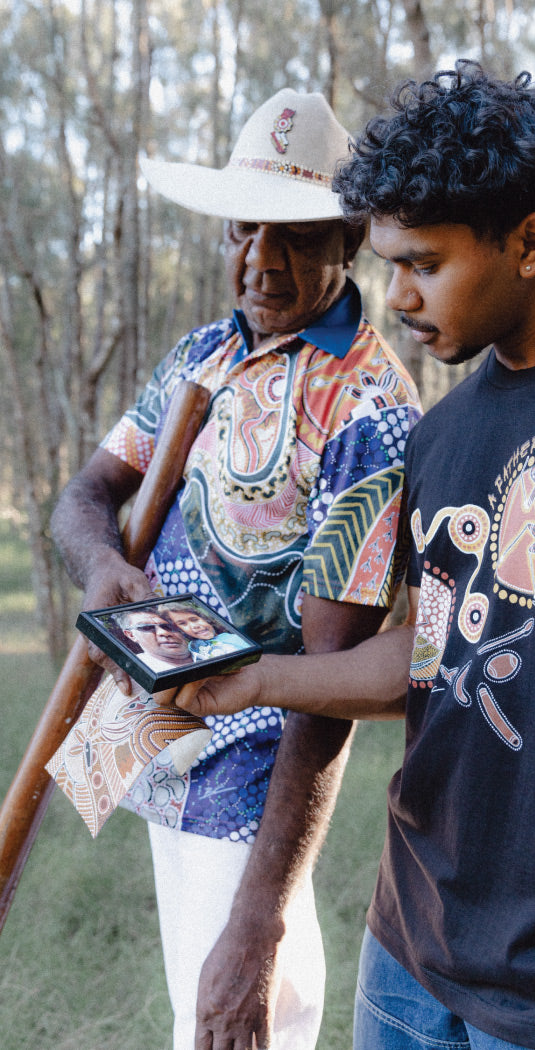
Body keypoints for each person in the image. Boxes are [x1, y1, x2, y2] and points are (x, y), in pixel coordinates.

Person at [176, 62, 535, 1050]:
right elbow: (432, 647)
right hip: (409, 957)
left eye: (422, 262)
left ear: (531, 240)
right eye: (388, 263)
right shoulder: (444, 431)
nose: (399, 297)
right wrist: (255, 681)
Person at [50, 86, 421, 1050]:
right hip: (156, 745)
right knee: (198, 1013)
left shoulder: (368, 412)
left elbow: (331, 690)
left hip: (254, 783)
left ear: (347, 242)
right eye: (243, 228)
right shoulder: (203, 354)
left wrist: (262, 918)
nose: (260, 259)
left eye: (294, 234)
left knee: (243, 1016)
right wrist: (100, 567)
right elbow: (84, 498)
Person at [158, 602, 249, 661]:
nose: (195, 626)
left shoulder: (232, 638)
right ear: (179, 630)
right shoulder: (191, 648)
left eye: (194, 619)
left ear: (204, 618)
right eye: (183, 624)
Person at [114, 607, 193, 670]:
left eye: (167, 626)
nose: (164, 632)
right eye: (147, 627)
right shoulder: (133, 670)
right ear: (131, 635)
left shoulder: (203, 650)